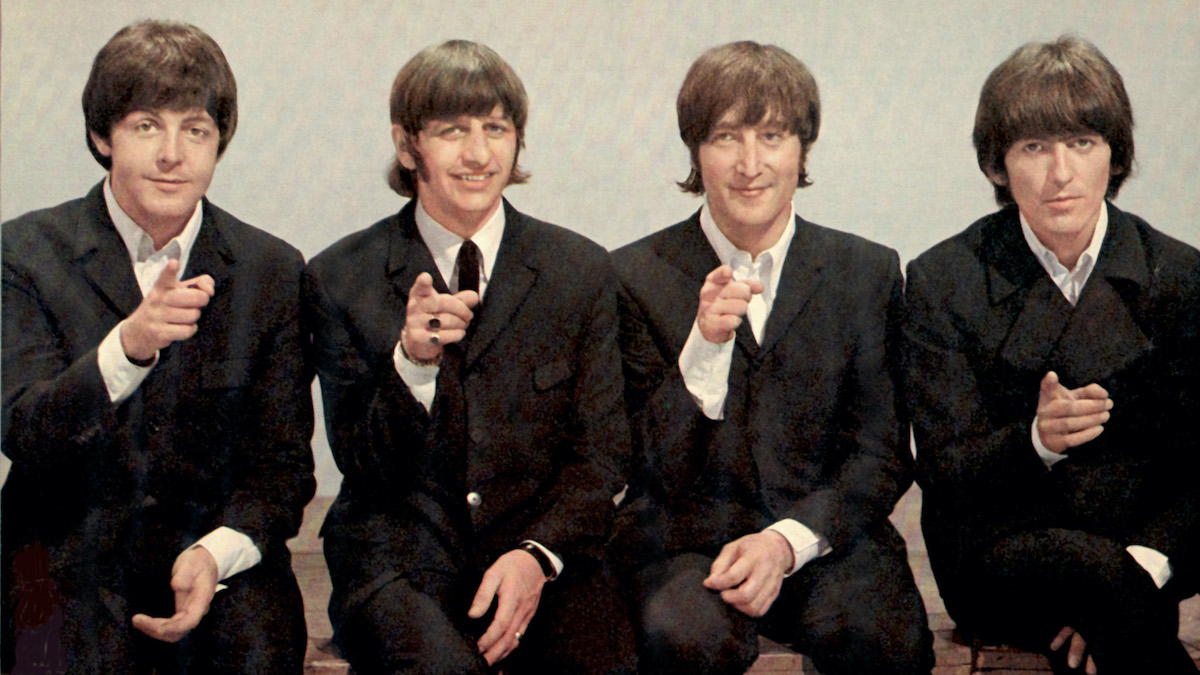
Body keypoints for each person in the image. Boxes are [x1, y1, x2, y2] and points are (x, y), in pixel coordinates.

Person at [303, 40, 636, 674]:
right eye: (452, 131)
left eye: (495, 129)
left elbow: (602, 454)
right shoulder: (340, 277)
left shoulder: (580, 271)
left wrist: (538, 556)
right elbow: (362, 466)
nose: (478, 153)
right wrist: (413, 363)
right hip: (397, 563)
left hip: (544, 552)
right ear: (408, 147)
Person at [1, 20, 315, 673]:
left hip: (215, 557)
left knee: (256, 654)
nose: (173, 154)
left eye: (195, 129)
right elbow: (23, 430)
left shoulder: (272, 270)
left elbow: (282, 470)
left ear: (217, 143)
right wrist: (128, 349)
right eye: (147, 126)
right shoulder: (23, 254)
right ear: (101, 136)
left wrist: (216, 552)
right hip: (65, 557)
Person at [611, 41, 933, 674]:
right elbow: (639, 467)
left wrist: (786, 544)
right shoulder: (631, 275)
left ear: (802, 149)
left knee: (885, 640)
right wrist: (702, 351)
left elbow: (882, 452)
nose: (750, 163)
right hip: (683, 549)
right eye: (727, 137)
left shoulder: (865, 272)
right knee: (680, 640)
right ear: (695, 152)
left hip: (826, 541)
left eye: (773, 136)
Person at [905, 36, 1200, 673]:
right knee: (1084, 567)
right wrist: (1035, 441)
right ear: (997, 165)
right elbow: (943, 472)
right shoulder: (943, 279)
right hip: (997, 560)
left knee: (1107, 580)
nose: (1060, 173)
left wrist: (1141, 572)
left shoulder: (1179, 277)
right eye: (1034, 147)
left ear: (1114, 156)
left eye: (1082, 143)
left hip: (1139, 557)